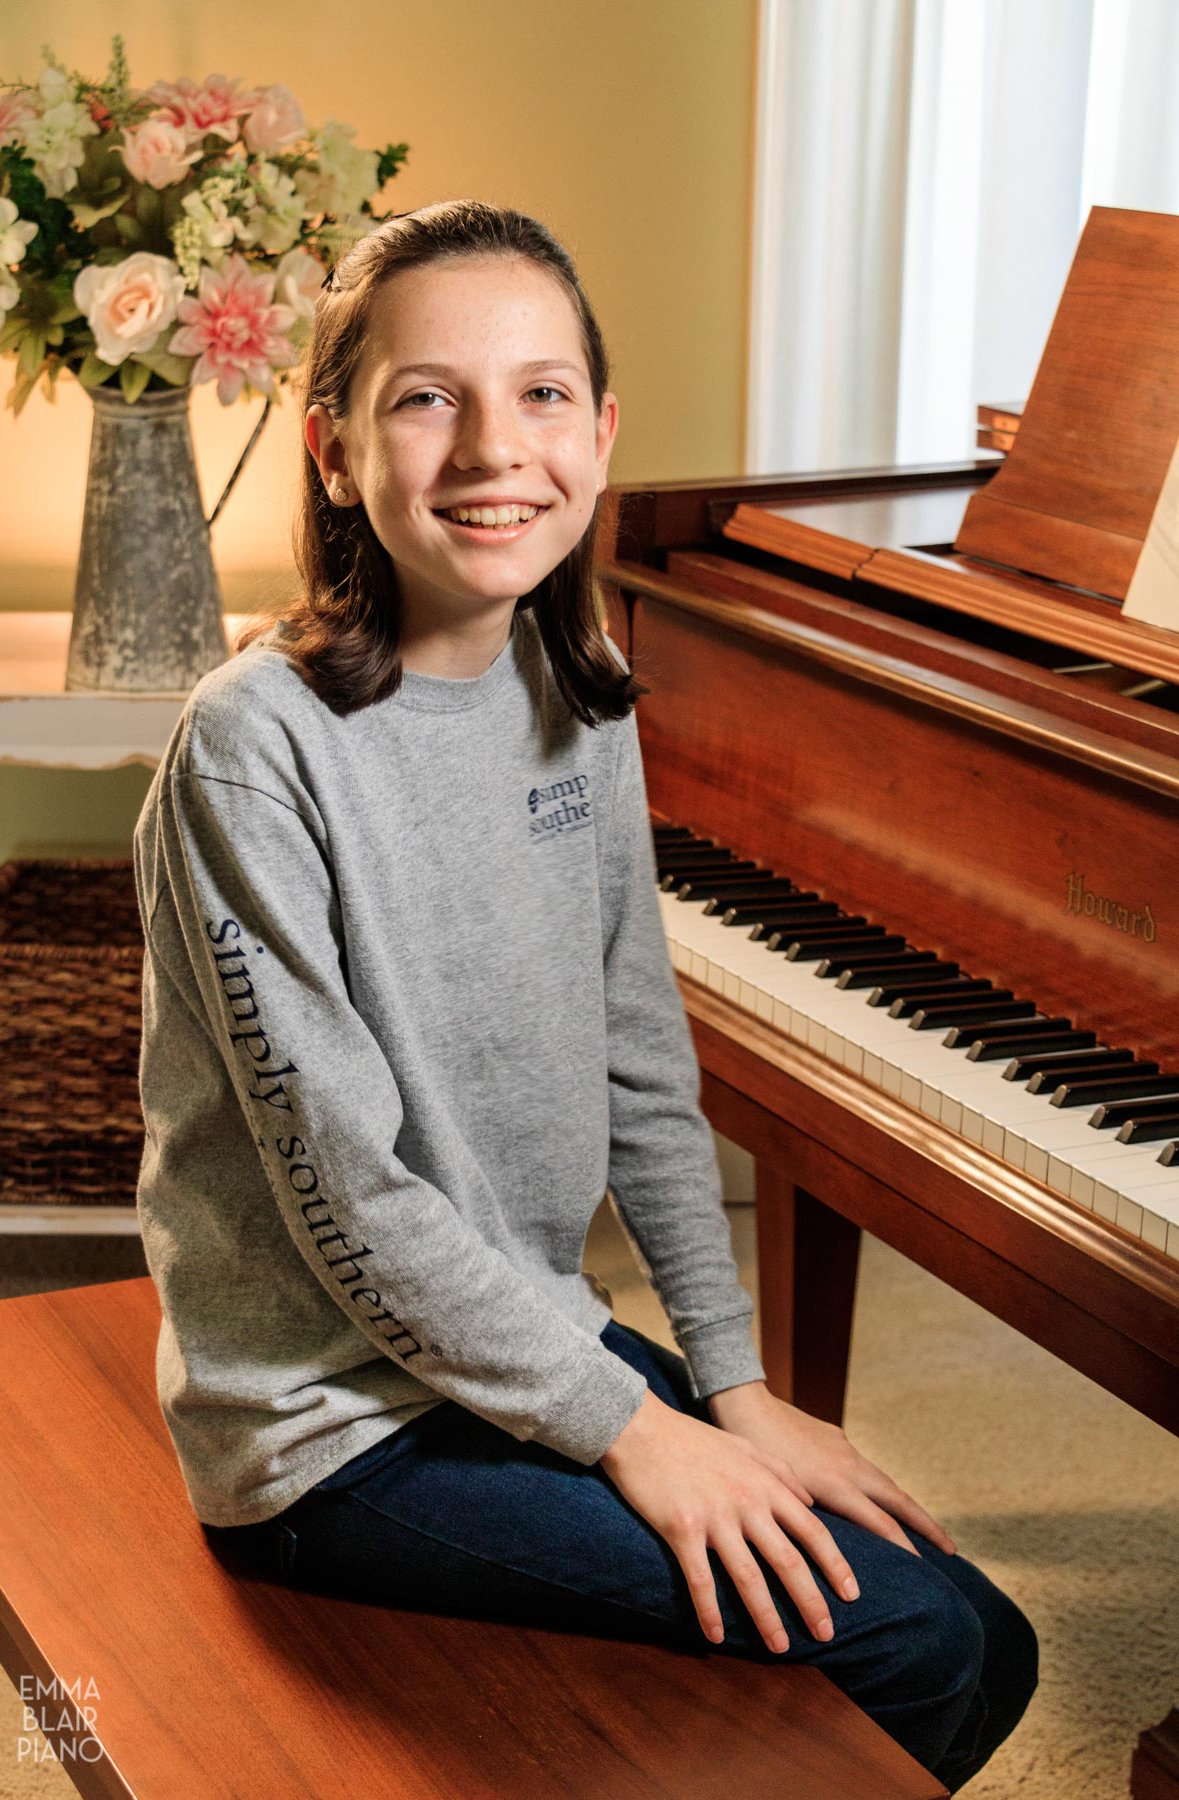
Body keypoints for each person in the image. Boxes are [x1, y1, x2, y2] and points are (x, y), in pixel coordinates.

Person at [132, 199, 1036, 1792]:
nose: (495, 447)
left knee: (995, 1640)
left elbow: (640, 1068)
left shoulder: (582, 692)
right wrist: (636, 1429)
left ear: (603, 435)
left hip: (520, 1344)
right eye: (428, 397)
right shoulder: (250, 747)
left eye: (543, 393)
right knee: (919, 1645)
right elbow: (350, 1197)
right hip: (332, 1422)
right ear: (337, 452)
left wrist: (735, 1384)